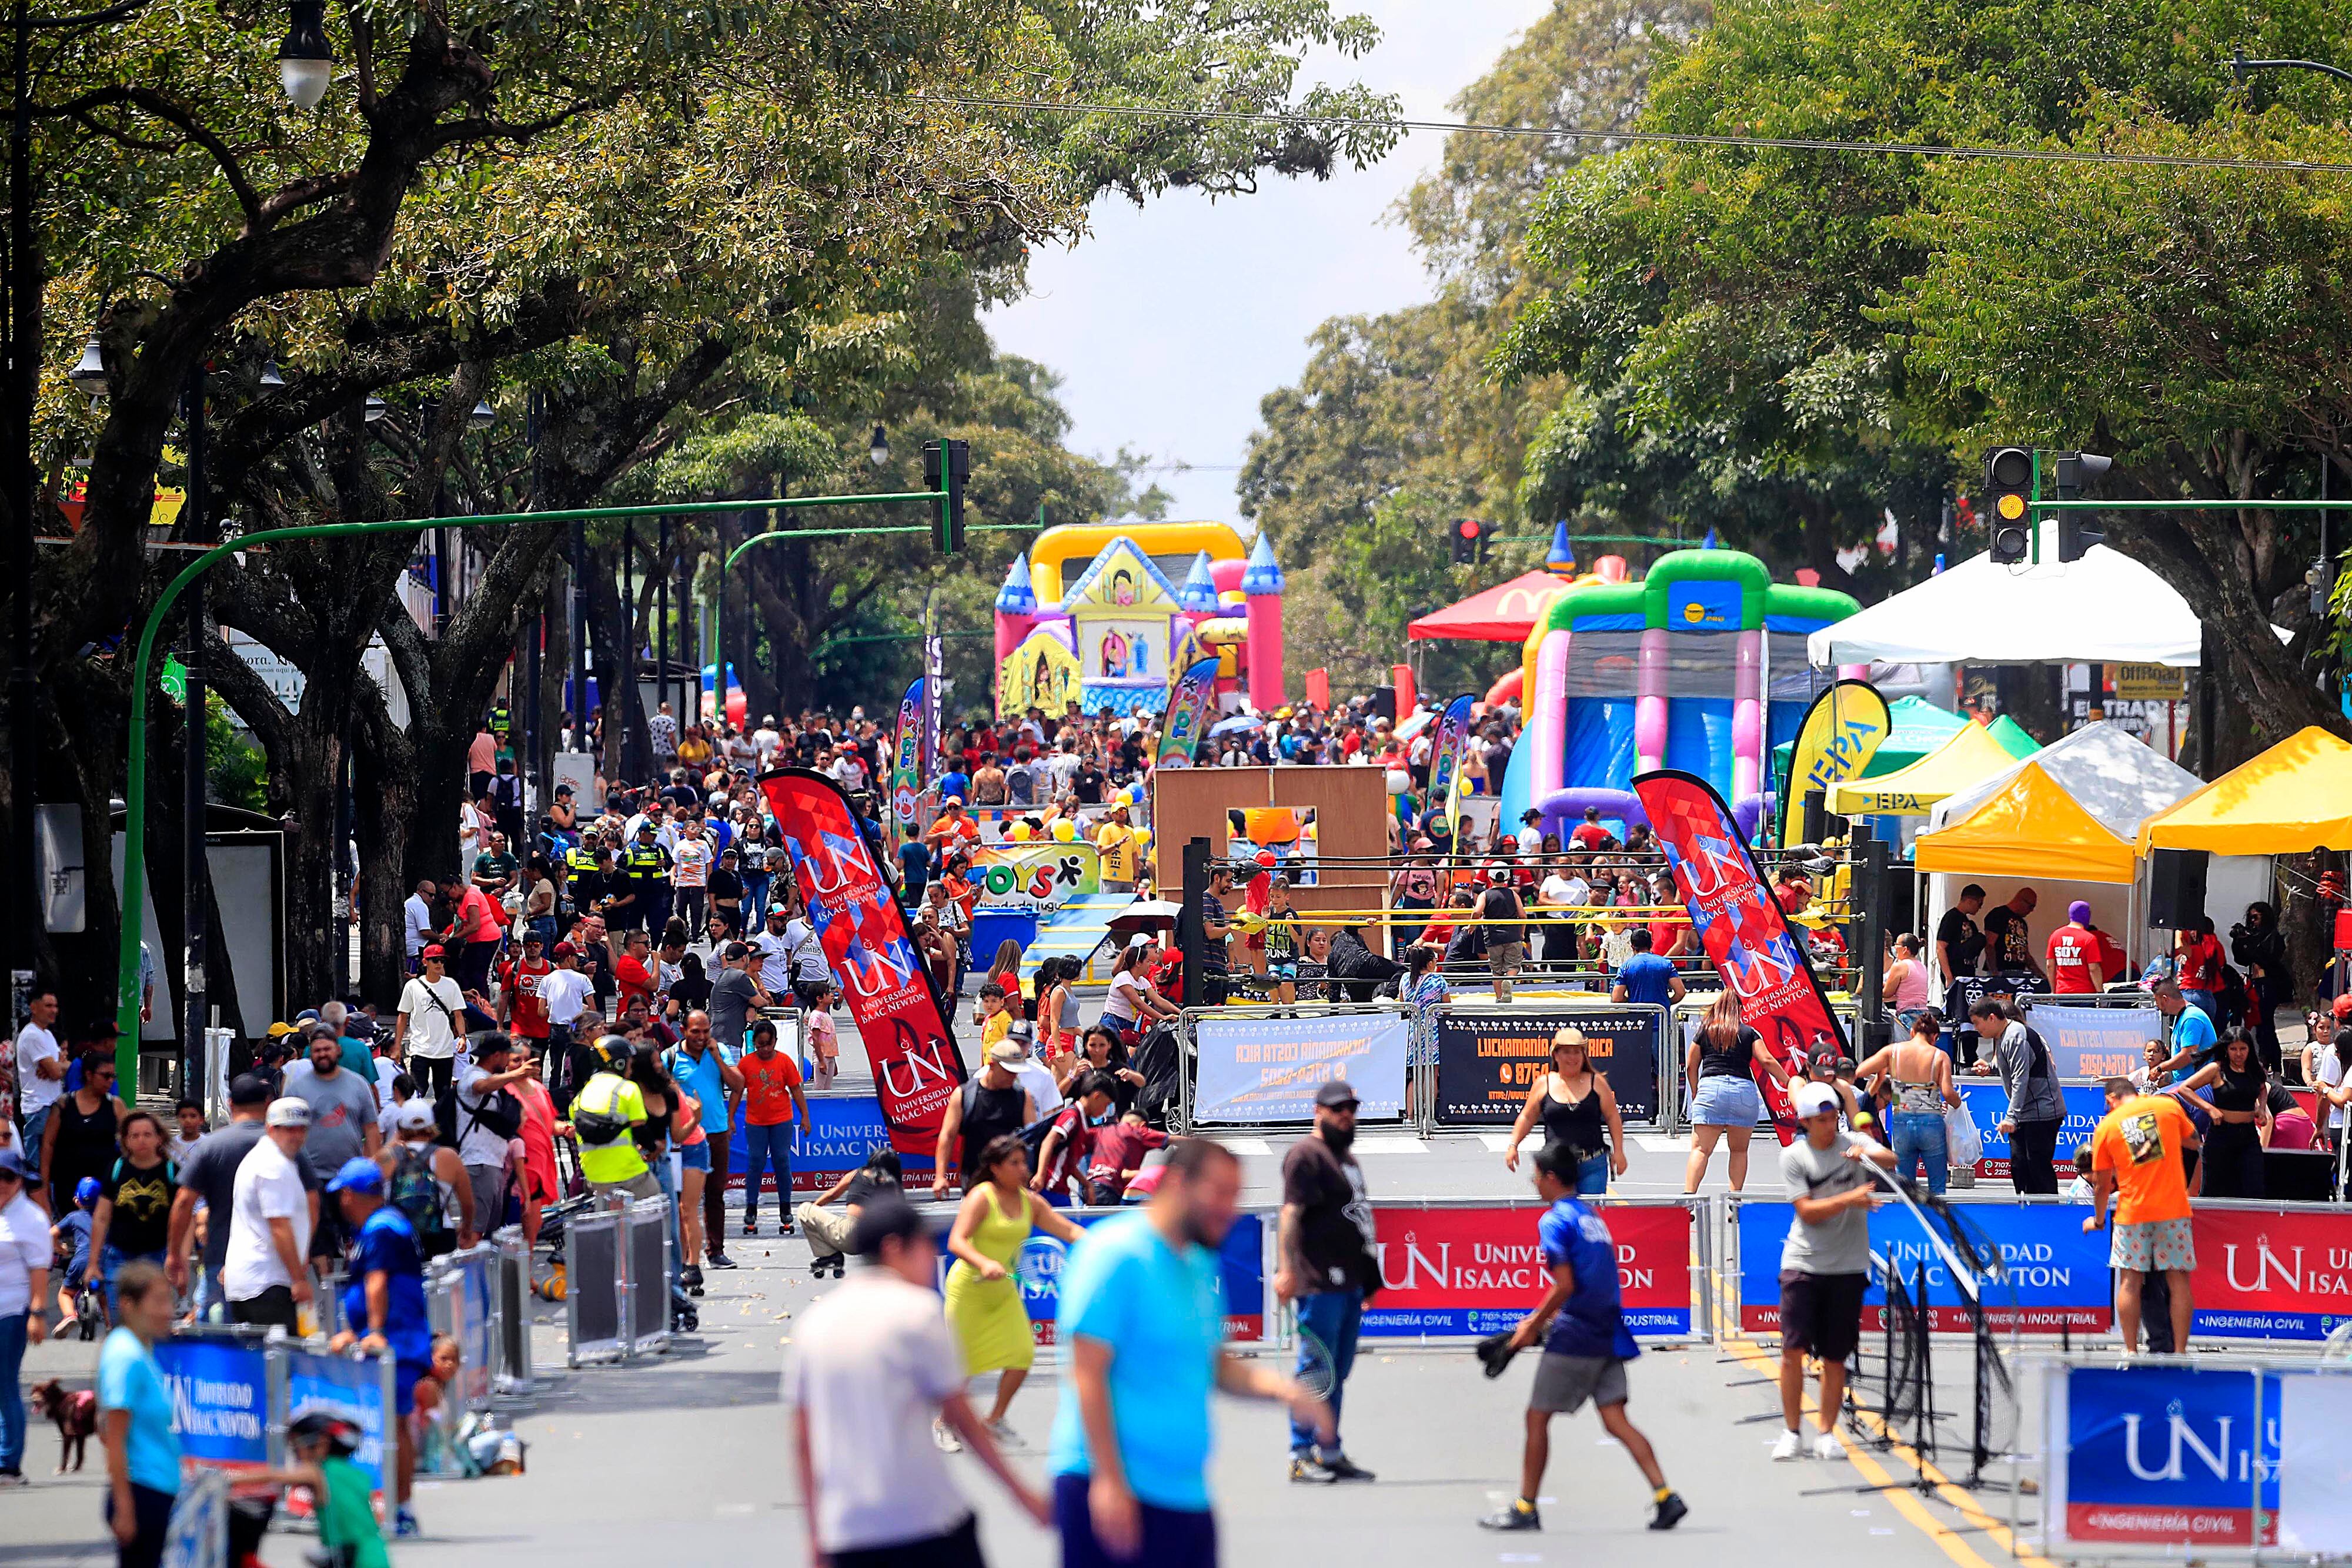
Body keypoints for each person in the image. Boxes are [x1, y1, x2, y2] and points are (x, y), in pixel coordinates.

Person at [1048, 1138, 1332, 1568]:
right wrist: (1108, 1480)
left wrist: (1287, 1392)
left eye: (1235, 1196)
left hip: (1186, 1495)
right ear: (1179, 1183)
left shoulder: (1200, 1265)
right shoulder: (1112, 1253)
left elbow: (1214, 1363)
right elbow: (1087, 1374)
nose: (1230, 1209)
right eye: (1220, 1193)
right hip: (1109, 1487)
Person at [789, 1193, 1052, 1568]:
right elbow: (963, 1419)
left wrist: (816, 1537)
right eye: (925, 1245)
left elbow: (802, 1441)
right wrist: (1023, 1495)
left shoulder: (813, 1325)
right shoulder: (919, 1314)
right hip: (925, 1524)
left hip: (846, 1532)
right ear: (895, 1248)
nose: (932, 1256)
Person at [1480, 1142, 1688, 1533]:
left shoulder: (1554, 1220)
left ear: (1551, 1178)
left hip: (1578, 1334)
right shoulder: (1592, 1216)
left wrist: (1531, 1326)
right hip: (1608, 1328)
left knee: (1536, 1416)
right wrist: (1539, 1321)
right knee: (1616, 1419)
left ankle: (1526, 1506)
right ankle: (1666, 1496)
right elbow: (1594, 1280)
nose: (1534, 1182)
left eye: (1537, 1175)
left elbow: (1564, 1285)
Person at [1772, 1081, 1895, 1461]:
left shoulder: (1852, 1141)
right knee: (1792, 1350)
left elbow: (1891, 1159)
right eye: (1821, 1120)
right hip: (1804, 1263)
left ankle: (1826, 1432)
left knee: (1835, 1356)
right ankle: (1792, 1431)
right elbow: (1807, 1211)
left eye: (1833, 1118)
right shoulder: (1794, 1157)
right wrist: (1853, 1198)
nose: (1829, 1125)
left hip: (1848, 1264)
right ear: (1806, 1122)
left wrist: (1867, 1155)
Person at [942, 1134, 1084, 1453]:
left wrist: (1101, 1244)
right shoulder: (981, 1197)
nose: (1024, 1170)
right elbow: (957, 1241)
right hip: (968, 1289)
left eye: (1025, 1162)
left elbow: (1068, 1229)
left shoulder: (1030, 1202)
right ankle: (944, 1423)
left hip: (1003, 1292)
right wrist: (983, 1262)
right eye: (1014, 1163)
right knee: (960, 1365)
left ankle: (994, 1418)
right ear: (995, 1168)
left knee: (1022, 1354)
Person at [1275, 1081, 1380, 1485]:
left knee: (1338, 1370)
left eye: (1351, 1109)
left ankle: (1330, 1449)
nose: (1346, 1116)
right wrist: (1287, 1270)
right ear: (1318, 1110)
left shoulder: (1346, 1158)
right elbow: (1291, 1214)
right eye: (1338, 1109)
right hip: (1319, 1280)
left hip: (1350, 1279)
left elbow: (1360, 1219)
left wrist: (1367, 1279)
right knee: (1316, 1369)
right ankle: (1300, 1452)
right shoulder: (1307, 1155)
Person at [325, 1156, 430, 1537]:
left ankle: (402, 1509)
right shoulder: (381, 1225)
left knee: (397, 1422)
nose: (340, 1202)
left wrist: (373, 1330)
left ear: (351, 1194)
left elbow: (377, 1281)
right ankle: (390, 1505)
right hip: (395, 1338)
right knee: (391, 1421)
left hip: (397, 1340)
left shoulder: (383, 1228)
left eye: (343, 1195)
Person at [2086, 1076, 2197, 1354]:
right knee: (2178, 1281)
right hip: (2173, 1209)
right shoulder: (2167, 1107)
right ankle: (2181, 1352)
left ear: (2111, 1099)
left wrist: (2099, 1220)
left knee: (2130, 1282)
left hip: (2133, 1213)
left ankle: (2130, 1351)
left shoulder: (2108, 1126)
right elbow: (2194, 1142)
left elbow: (2101, 1185)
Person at [97, 1260, 181, 1566]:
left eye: (169, 1301)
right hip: (140, 1495)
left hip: (155, 1491)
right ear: (128, 1305)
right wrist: (125, 1507)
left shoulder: (141, 1351)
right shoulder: (126, 1354)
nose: (168, 1312)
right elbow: (113, 1437)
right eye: (158, 1302)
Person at [281, 1025, 381, 1263]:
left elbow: (372, 1129)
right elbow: (285, 1132)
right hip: (311, 1176)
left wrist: (374, 1168)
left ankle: (350, 1283)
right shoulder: (297, 1088)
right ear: (309, 1054)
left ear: (337, 1051)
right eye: (316, 1050)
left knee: (356, 1238)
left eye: (327, 1049)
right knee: (319, 1241)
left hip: (350, 1176)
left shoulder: (358, 1084)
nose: (322, 1054)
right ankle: (326, 1290)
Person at [1683, 992, 1792, 1193]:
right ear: (1740, 1010)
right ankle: (1735, 1200)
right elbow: (1766, 1061)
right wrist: (1788, 1081)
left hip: (1711, 1089)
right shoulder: (1749, 1032)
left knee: (1701, 1150)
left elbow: (1691, 1064)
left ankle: (1689, 1199)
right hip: (1743, 1090)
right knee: (1739, 1150)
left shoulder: (1705, 1031)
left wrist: (1696, 1090)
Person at [223, 1098, 315, 1332]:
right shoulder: (273, 1165)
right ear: (270, 1128)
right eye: (288, 1129)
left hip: (258, 1281)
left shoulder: (266, 1159)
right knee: (279, 1362)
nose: (296, 1136)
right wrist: (298, 1279)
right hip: (269, 1283)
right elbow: (279, 1227)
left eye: (301, 1129)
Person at [666, 1010, 745, 1274]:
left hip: (717, 1131)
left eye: (705, 1031)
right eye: (695, 1032)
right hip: (684, 1138)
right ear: (683, 1031)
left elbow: (738, 1084)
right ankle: (687, 1255)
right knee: (682, 1200)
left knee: (715, 1194)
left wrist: (717, 1058)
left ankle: (716, 1251)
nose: (701, 1037)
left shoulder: (720, 1050)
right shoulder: (671, 1057)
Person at [1504, 1029, 1628, 1194]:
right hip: (1557, 1167)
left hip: (1592, 1163)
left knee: (1587, 1215)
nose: (1572, 1058)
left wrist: (1619, 1151)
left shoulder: (1597, 1082)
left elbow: (1612, 1117)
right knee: (1562, 1214)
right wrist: (1514, 1145)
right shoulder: (1544, 1083)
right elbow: (1527, 1117)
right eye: (1567, 1052)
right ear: (1556, 1055)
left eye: (1577, 1052)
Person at [84, 1111, 176, 1321]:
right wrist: (93, 1263)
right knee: (121, 1321)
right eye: (135, 1136)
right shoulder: (117, 1169)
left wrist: (177, 1256)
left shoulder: (171, 1171)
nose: (141, 1140)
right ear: (126, 1140)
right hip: (119, 1256)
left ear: (158, 1138)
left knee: (153, 1322)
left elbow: (182, 1218)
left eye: (147, 1134)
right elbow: (101, 1217)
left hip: (157, 1256)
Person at [1855, 1012, 1959, 1194]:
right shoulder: (1940, 1056)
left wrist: (1882, 1075)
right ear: (1934, 1037)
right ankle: (1939, 1222)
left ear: (1912, 1032)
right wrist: (1960, 1106)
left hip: (1901, 1121)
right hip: (1931, 1123)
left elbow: (1861, 1071)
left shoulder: (1893, 1051)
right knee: (1937, 1187)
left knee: (1904, 1188)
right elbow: (1948, 1093)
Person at [1969, 998, 2064, 1193]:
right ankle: (2025, 1211)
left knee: (2037, 1168)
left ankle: (2048, 1214)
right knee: (2020, 1166)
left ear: (1992, 1018)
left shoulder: (2015, 1036)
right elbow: (2011, 1068)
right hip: (2025, 1114)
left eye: (1978, 1023)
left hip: (2041, 1113)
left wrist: (2011, 1117)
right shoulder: (2004, 1036)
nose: (1977, 1029)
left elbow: (2021, 1078)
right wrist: (1990, 1068)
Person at [0, 1145, 51, 1485]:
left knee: (4, 1385)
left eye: (9, 1177)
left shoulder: (30, 1218)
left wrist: (37, 1313)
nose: (3, 1183)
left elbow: (39, 1270)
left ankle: (9, 1463)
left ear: (20, 1180)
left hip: (13, 1311)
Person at [2170, 1028, 2270, 1198]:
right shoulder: (2216, 1069)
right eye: (2233, 1049)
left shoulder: (2255, 1069)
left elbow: (2263, 1088)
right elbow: (2185, 1089)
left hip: (2249, 1137)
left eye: (2243, 1049)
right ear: (2226, 1050)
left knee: (2254, 1187)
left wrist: (2261, 1108)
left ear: (2249, 1049)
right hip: (2222, 1135)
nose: (2239, 1054)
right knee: (2215, 1188)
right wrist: (2209, 1109)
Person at [933, 1045, 1036, 1202]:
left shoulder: (1023, 1097)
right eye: (1009, 1071)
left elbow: (1033, 1140)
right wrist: (940, 1176)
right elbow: (948, 1136)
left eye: (1016, 1072)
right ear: (992, 1065)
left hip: (1012, 1186)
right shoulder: (965, 1095)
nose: (1013, 1077)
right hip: (974, 1183)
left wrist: (1033, 1175)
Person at [564, 1036, 659, 1202]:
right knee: (657, 1200)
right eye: (629, 1061)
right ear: (619, 1063)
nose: (632, 1066)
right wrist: (654, 1148)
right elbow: (641, 1131)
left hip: (594, 1178)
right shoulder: (628, 1089)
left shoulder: (582, 1095)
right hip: (629, 1174)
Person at [381, 1097, 475, 1258]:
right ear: (431, 1126)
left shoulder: (386, 1158)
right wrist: (466, 1229)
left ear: (400, 1128)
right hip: (441, 1234)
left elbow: (362, 1175)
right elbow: (468, 1204)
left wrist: (391, 1143)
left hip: (398, 1234)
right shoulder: (449, 1156)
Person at [797, 1149, 904, 1277]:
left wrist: (814, 1210)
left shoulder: (857, 1174)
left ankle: (829, 1255)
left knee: (805, 1209)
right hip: (875, 1240)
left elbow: (832, 1194)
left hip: (852, 1235)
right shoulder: (894, 1185)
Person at [41, 1049, 119, 1219]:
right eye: (106, 1076)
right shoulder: (64, 1104)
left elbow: (128, 1141)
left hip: (104, 1185)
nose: (110, 1081)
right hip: (68, 1184)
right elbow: (48, 1144)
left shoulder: (115, 1105)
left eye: (114, 1076)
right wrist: (45, 1182)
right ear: (89, 1075)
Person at [393, 946, 469, 1098]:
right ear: (425, 962)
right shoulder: (413, 986)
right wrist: (397, 1045)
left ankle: (441, 1122)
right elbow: (403, 1016)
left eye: (442, 960)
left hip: (445, 1049)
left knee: (443, 1093)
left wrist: (462, 1036)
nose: (439, 964)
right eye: (435, 960)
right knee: (416, 1093)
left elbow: (458, 1014)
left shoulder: (451, 985)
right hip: (420, 1048)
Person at [2231, 901, 2289, 1072]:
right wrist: (2238, 941)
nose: (2253, 921)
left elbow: (2268, 959)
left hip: (2268, 984)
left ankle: (2273, 1063)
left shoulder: (2273, 937)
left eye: (2256, 917)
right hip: (2255, 983)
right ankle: (2266, 1060)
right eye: (2250, 917)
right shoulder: (2253, 936)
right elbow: (2242, 959)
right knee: (2258, 1024)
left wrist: (2248, 942)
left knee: (2266, 1024)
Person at [12, 988, 64, 1161]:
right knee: (37, 1163)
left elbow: (63, 1063)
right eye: (48, 1006)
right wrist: (56, 1067)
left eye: (55, 1006)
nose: (53, 1011)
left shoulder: (47, 1034)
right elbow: (57, 1072)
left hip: (52, 1105)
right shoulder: (32, 1035)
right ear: (34, 1008)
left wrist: (56, 1066)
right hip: (38, 1108)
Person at [1476, 865, 1527, 1003]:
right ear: (1508, 878)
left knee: (1496, 970)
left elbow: (1476, 912)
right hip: (1513, 935)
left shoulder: (1485, 895)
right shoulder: (1513, 894)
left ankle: (1499, 998)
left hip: (1493, 937)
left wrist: (1472, 924)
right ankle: (1509, 982)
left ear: (1489, 878)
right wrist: (1522, 933)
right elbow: (1523, 915)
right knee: (1514, 966)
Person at [1982, 887, 2044, 982]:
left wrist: (2040, 975)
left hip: (2020, 974)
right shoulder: (1998, 915)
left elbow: (2025, 953)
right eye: (2031, 906)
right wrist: (1994, 974)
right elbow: (1990, 945)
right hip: (2001, 972)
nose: (2031, 911)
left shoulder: (2023, 924)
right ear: (2021, 901)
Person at [2045, 901, 2109, 995]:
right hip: (2085, 993)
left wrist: (2053, 991)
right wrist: (2100, 992)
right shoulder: (2089, 938)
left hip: (2062, 992)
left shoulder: (2055, 936)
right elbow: (2094, 968)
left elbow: (2050, 966)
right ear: (2087, 915)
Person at [1610, 927, 1683, 1008]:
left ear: (1632, 947)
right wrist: (1665, 1003)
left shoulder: (1625, 967)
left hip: (1637, 1017)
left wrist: (1631, 1002)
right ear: (1652, 944)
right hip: (1662, 1017)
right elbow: (1680, 992)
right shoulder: (1667, 964)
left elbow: (1617, 998)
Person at [1882, 934, 1932, 1031]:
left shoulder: (1899, 966)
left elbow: (1887, 993)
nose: (1894, 947)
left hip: (1908, 1015)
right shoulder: (1922, 966)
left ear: (1905, 949)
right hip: (1924, 1014)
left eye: (1896, 944)